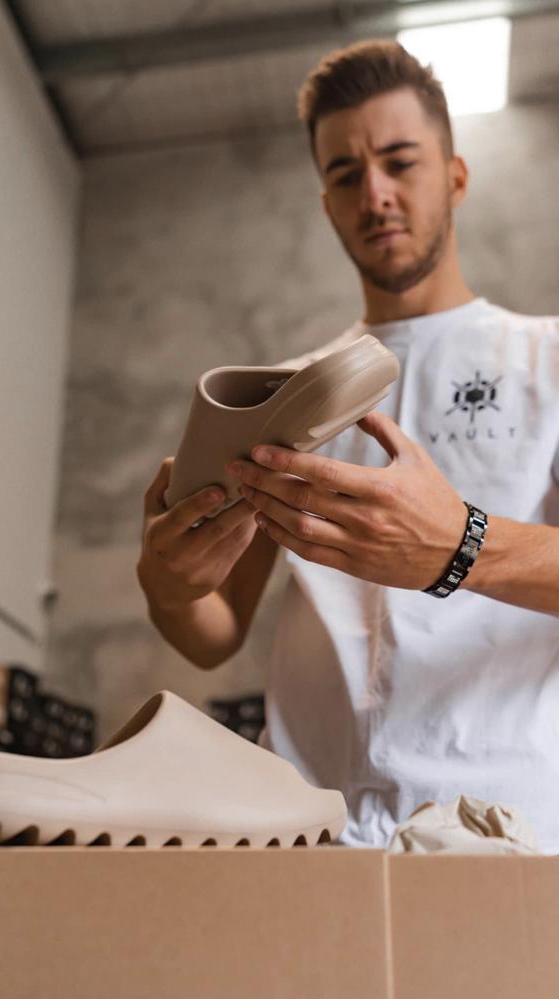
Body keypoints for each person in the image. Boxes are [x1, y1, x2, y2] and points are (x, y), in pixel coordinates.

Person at [136, 40, 559, 851]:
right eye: (345, 175)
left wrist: (458, 546)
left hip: (510, 830)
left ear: (456, 176)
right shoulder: (284, 388)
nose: (376, 194)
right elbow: (216, 629)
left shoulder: (546, 357)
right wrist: (168, 584)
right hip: (312, 832)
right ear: (326, 205)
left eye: (401, 162)